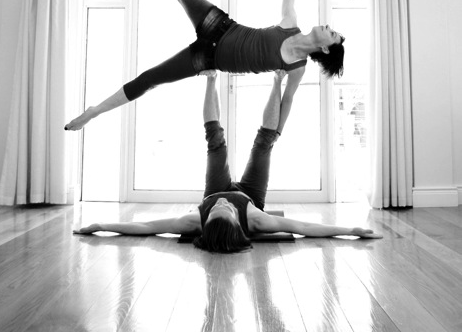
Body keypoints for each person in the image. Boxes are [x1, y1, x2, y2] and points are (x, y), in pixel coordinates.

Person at [74, 70, 382, 252]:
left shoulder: (193, 222)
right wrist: (352, 230)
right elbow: (303, 227)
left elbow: (145, 227)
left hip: (215, 187)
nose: (222, 205)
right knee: (264, 143)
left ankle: (211, 78)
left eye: (215, 211)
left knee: (215, 141)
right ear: (238, 222)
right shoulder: (258, 221)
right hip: (251, 196)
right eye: (227, 210)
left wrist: (100, 225)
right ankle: (277, 79)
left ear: (205, 222)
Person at [65, 0, 345, 132]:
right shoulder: (290, 24)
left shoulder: (297, 68)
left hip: (207, 59)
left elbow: (287, 101)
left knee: (151, 78)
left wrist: (277, 133)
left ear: (326, 49)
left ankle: (94, 111)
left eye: (332, 33)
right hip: (219, 25)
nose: (327, 26)